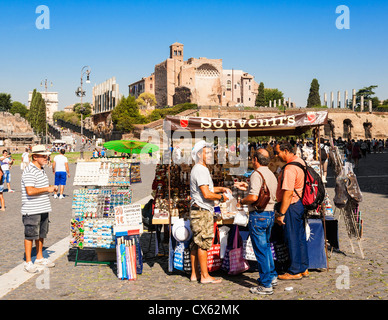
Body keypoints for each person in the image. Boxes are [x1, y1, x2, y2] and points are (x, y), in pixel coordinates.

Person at [234, 149, 278, 295]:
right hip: (270, 213)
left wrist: (242, 201)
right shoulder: (270, 173)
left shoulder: (256, 174)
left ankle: (266, 285)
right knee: (265, 247)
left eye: (252, 159)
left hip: (259, 214)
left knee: (261, 250)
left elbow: (253, 197)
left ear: (255, 160)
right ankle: (271, 277)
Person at [189, 140, 230, 284]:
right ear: (199, 154)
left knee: (196, 243)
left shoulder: (199, 169)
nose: (211, 155)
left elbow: (207, 189)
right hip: (202, 211)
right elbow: (206, 194)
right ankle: (205, 276)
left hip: (198, 210)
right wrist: (221, 197)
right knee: (203, 244)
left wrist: (222, 189)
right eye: (207, 152)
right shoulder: (201, 169)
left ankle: (195, 274)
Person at [274, 140, 309, 280]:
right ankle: (303, 266)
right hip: (299, 204)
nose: (276, 155)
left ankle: (295, 271)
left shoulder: (289, 169)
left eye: (278, 152)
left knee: (292, 238)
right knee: (300, 237)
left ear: (286, 151)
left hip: (291, 205)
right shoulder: (300, 161)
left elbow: (287, 193)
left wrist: (281, 213)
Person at [21, 145, 58, 273]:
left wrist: (50, 186)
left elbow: (39, 186)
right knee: (30, 235)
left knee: (41, 234)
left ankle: (39, 257)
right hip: (32, 208)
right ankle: (28, 262)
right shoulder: (29, 171)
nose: (46, 158)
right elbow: (30, 190)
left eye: (46, 155)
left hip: (43, 206)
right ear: (35, 157)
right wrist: (47, 189)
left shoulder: (41, 169)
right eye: (43, 156)